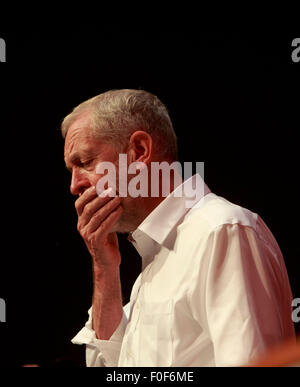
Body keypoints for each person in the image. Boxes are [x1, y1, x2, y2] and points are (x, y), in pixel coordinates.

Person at [62, 89, 295, 367]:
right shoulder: (154, 261)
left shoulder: (220, 231)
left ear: (139, 151)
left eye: (85, 162)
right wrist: (104, 268)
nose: (75, 185)